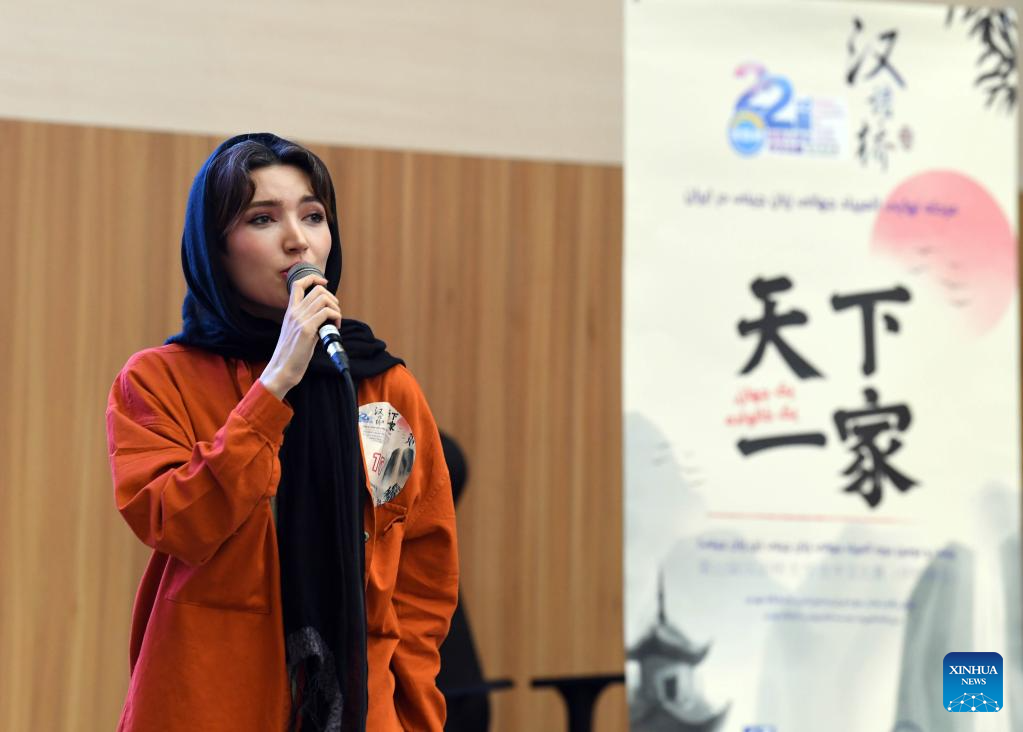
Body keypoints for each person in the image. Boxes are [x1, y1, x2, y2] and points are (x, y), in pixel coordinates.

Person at [105, 133, 458, 731]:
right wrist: (275, 384)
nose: (298, 239)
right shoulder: (156, 381)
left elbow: (422, 575)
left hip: (361, 709)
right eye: (262, 218)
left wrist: (411, 717)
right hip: (207, 704)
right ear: (214, 248)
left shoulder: (383, 388)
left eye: (313, 216)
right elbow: (179, 523)